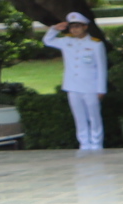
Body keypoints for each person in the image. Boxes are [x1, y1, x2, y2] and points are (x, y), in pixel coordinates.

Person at [40, 13, 108, 151]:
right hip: (73, 86)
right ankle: (84, 144)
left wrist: (101, 89)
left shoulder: (95, 44)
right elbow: (47, 41)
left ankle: (96, 143)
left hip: (91, 86)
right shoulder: (66, 41)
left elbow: (102, 68)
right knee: (79, 117)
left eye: (77, 26)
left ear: (85, 27)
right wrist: (55, 29)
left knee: (94, 117)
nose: (74, 30)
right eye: (72, 27)